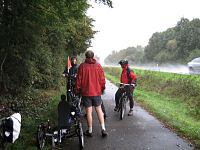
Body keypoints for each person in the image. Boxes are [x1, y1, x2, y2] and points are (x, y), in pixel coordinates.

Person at [75, 50, 108, 137]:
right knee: (99, 110)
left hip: (86, 93)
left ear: (86, 56)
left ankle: (90, 131)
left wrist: (77, 91)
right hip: (97, 92)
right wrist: (102, 88)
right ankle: (103, 129)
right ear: (93, 57)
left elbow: (78, 81)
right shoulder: (98, 66)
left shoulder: (82, 66)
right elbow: (102, 79)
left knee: (89, 112)